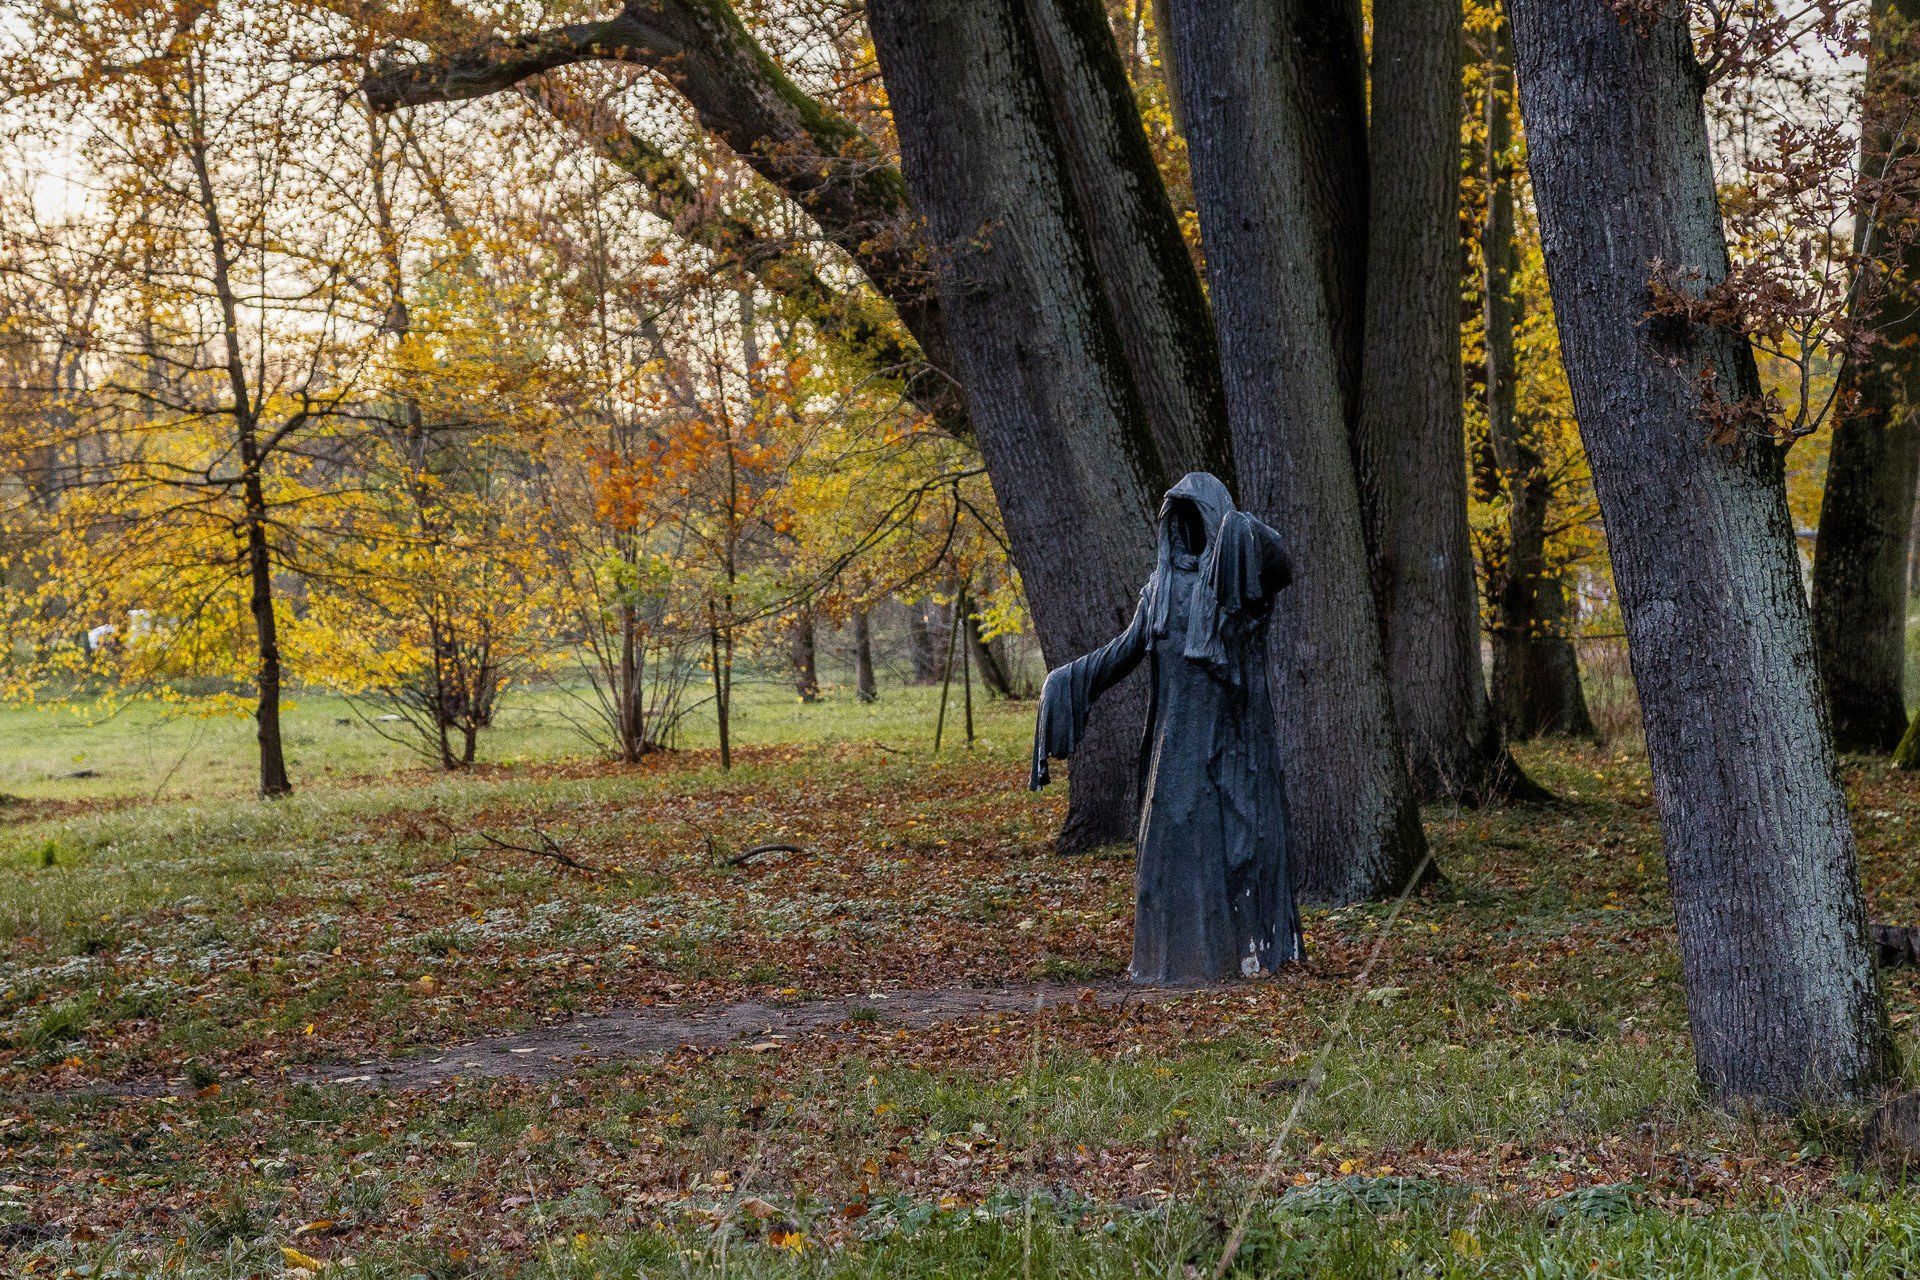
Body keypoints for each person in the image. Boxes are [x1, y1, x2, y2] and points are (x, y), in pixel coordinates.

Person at [1031, 471, 1301, 982]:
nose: (1187, 530)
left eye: (1197, 519)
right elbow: (1123, 652)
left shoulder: (1237, 582)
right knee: (1169, 850)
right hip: (1172, 748)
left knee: (1231, 850)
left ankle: (1232, 959)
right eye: (1179, 520)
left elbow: (1280, 563)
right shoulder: (1158, 591)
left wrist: (1239, 528)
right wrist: (1067, 682)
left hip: (1229, 746)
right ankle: (1170, 962)